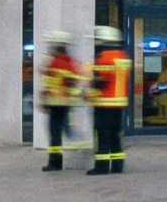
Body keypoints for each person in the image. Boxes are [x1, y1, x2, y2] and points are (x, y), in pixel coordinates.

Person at [39, 32, 85, 172]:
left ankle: (55, 162)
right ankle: (58, 159)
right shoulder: (69, 60)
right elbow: (71, 81)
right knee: (62, 130)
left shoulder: (56, 61)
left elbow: (55, 82)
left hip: (56, 103)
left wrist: (46, 98)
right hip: (62, 102)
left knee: (56, 132)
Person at [87, 27, 129, 175]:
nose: (96, 43)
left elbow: (100, 81)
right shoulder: (123, 57)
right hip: (119, 103)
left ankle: (102, 166)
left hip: (104, 102)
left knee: (102, 135)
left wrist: (89, 93)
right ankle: (117, 165)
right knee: (115, 135)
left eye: (98, 40)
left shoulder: (104, 58)